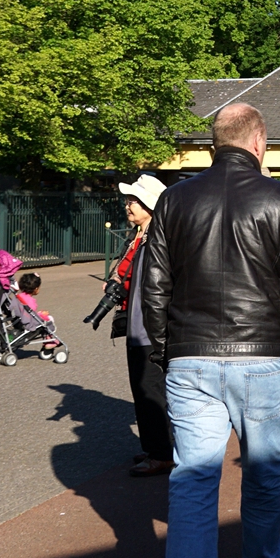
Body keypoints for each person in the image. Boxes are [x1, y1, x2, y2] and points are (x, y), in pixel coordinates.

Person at [139, 103, 280, 558]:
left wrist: (169, 352)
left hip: (191, 356)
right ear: (259, 142)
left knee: (193, 481)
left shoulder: (174, 199)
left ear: (215, 142)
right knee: (263, 470)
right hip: (265, 354)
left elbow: (155, 287)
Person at [108, 175, 174, 476]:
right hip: (138, 325)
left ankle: (161, 453)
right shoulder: (140, 235)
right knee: (142, 387)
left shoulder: (156, 239)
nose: (128, 205)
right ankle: (154, 447)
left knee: (151, 390)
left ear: (150, 204)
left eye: (134, 200)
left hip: (149, 327)